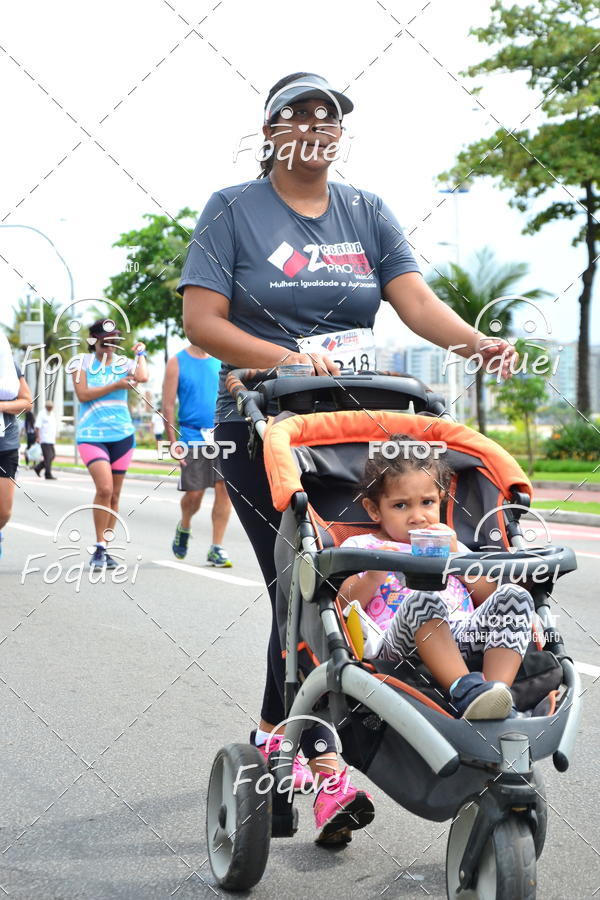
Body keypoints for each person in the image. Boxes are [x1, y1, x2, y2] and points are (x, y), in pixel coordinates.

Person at [179, 71, 517, 843]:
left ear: (340, 133)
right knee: (304, 586)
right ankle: (317, 757)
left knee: (357, 579)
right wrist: (286, 358)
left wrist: (477, 342)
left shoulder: (365, 210)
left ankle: (287, 737)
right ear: (269, 134)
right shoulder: (231, 209)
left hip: (356, 424)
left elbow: (416, 300)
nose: (314, 125)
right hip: (262, 425)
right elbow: (203, 323)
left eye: (328, 115)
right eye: (296, 114)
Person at [338, 435, 534, 721]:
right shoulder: (363, 547)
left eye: (427, 502)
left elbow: (486, 595)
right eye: (401, 506)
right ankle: (465, 691)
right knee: (423, 596)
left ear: (441, 499)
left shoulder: (450, 543)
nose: (418, 516)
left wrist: (457, 560)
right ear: (373, 509)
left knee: (515, 597)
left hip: (461, 635)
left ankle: (495, 697)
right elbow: (343, 602)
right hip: (399, 644)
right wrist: (372, 576)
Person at [71, 319, 149, 569]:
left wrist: (141, 353)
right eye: (105, 342)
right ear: (93, 341)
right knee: (104, 489)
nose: (110, 347)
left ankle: (104, 548)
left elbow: (143, 377)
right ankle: (97, 546)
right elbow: (82, 394)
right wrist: (115, 385)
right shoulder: (81, 362)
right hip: (91, 436)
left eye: (115, 341)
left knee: (115, 495)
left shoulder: (123, 364)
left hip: (122, 435)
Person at [162, 344, 233, 567]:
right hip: (192, 435)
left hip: (221, 433)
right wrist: (173, 443)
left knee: (224, 490)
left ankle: (216, 548)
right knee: (195, 494)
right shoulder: (177, 362)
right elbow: (167, 406)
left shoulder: (222, 359)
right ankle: (184, 525)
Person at [0, 332, 33, 558]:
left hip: (5, 443)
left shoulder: (8, 366)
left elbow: (26, 401)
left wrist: (1, 405)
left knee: (3, 511)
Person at [34, 400, 58, 480]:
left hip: (51, 439)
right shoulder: (42, 414)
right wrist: (37, 437)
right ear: (46, 407)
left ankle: (38, 467)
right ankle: (48, 474)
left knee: (52, 456)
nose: (50, 409)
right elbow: (37, 427)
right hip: (44, 439)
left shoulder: (52, 414)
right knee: (48, 457)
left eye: (51, 407)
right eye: (49, 407)